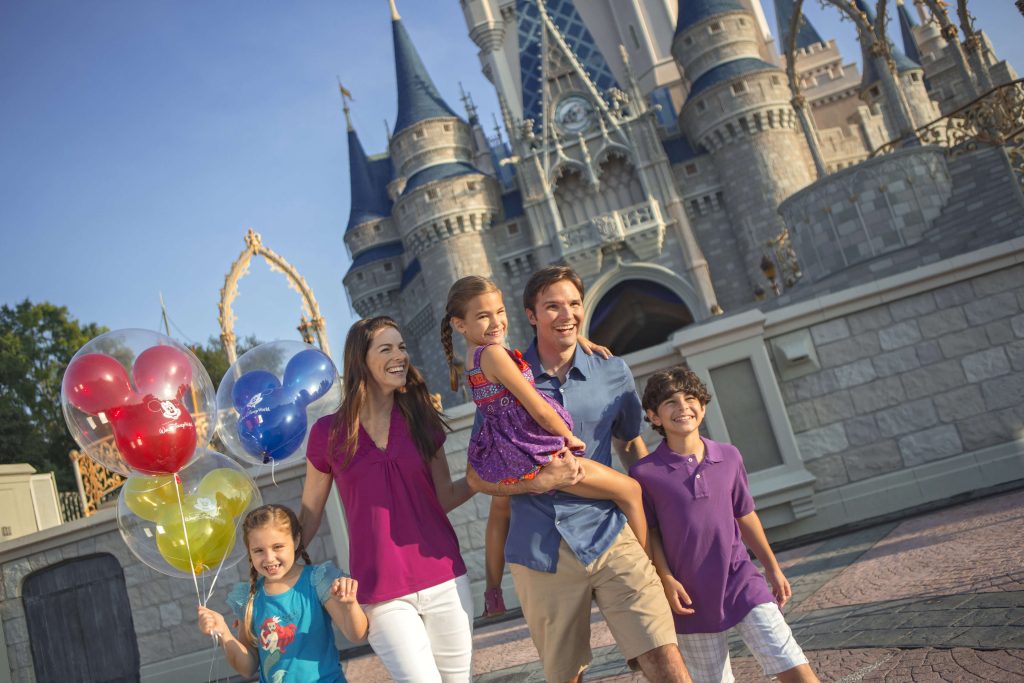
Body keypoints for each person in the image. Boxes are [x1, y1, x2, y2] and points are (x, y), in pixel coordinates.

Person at [465, 266, 691, 683]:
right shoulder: (506, 378)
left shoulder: (612, 370)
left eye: (573, 304)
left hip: (610, 534)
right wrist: (536, 483)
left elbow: (630, 443)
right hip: (541, 549)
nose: (566, 314)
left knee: (665, 655)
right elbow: (477, 476)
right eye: (552, 306)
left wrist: (659, 515)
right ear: (531, 315)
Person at [299, 316, 475, 682]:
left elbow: (444, 497)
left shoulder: (421, 418)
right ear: (361, 361)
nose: (400, 356)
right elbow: (310, 512)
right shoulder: (327, 433)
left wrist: (483, 478)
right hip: (381, 592)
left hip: (444, 578)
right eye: (386, 349)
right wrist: (277, 559)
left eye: (402, 347)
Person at [630, 366, 819, 683]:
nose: (683, 407)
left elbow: (745, 515)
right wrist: (666, 578)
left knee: (792, 661)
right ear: (654, 417)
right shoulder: (644, 473)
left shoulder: (729, 456)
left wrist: (772, 567)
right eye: (671, 402)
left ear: (702, 407)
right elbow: (651, 534)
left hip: (741, 580)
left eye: (690, 399)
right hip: (689, 597)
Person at [443, 274, 647, 546]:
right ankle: (651, 561)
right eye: (483, 316)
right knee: (630, 490)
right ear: (460, 324)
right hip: (542, 452)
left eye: (500, 312)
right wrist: (568, 437)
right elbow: (538, 408)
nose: (496, 322)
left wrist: (576, 339)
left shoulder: (475, 360)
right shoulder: (493, 354)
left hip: (520, 454)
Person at [197, 504, 368, 683]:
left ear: (296, 540)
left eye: (277, 546)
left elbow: (358, 636)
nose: (269, 558)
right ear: (250, 552)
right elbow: (247, 668)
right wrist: (223, 633)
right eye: (259, 550)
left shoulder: (318, 581)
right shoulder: (249, 598)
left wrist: (350, 606)